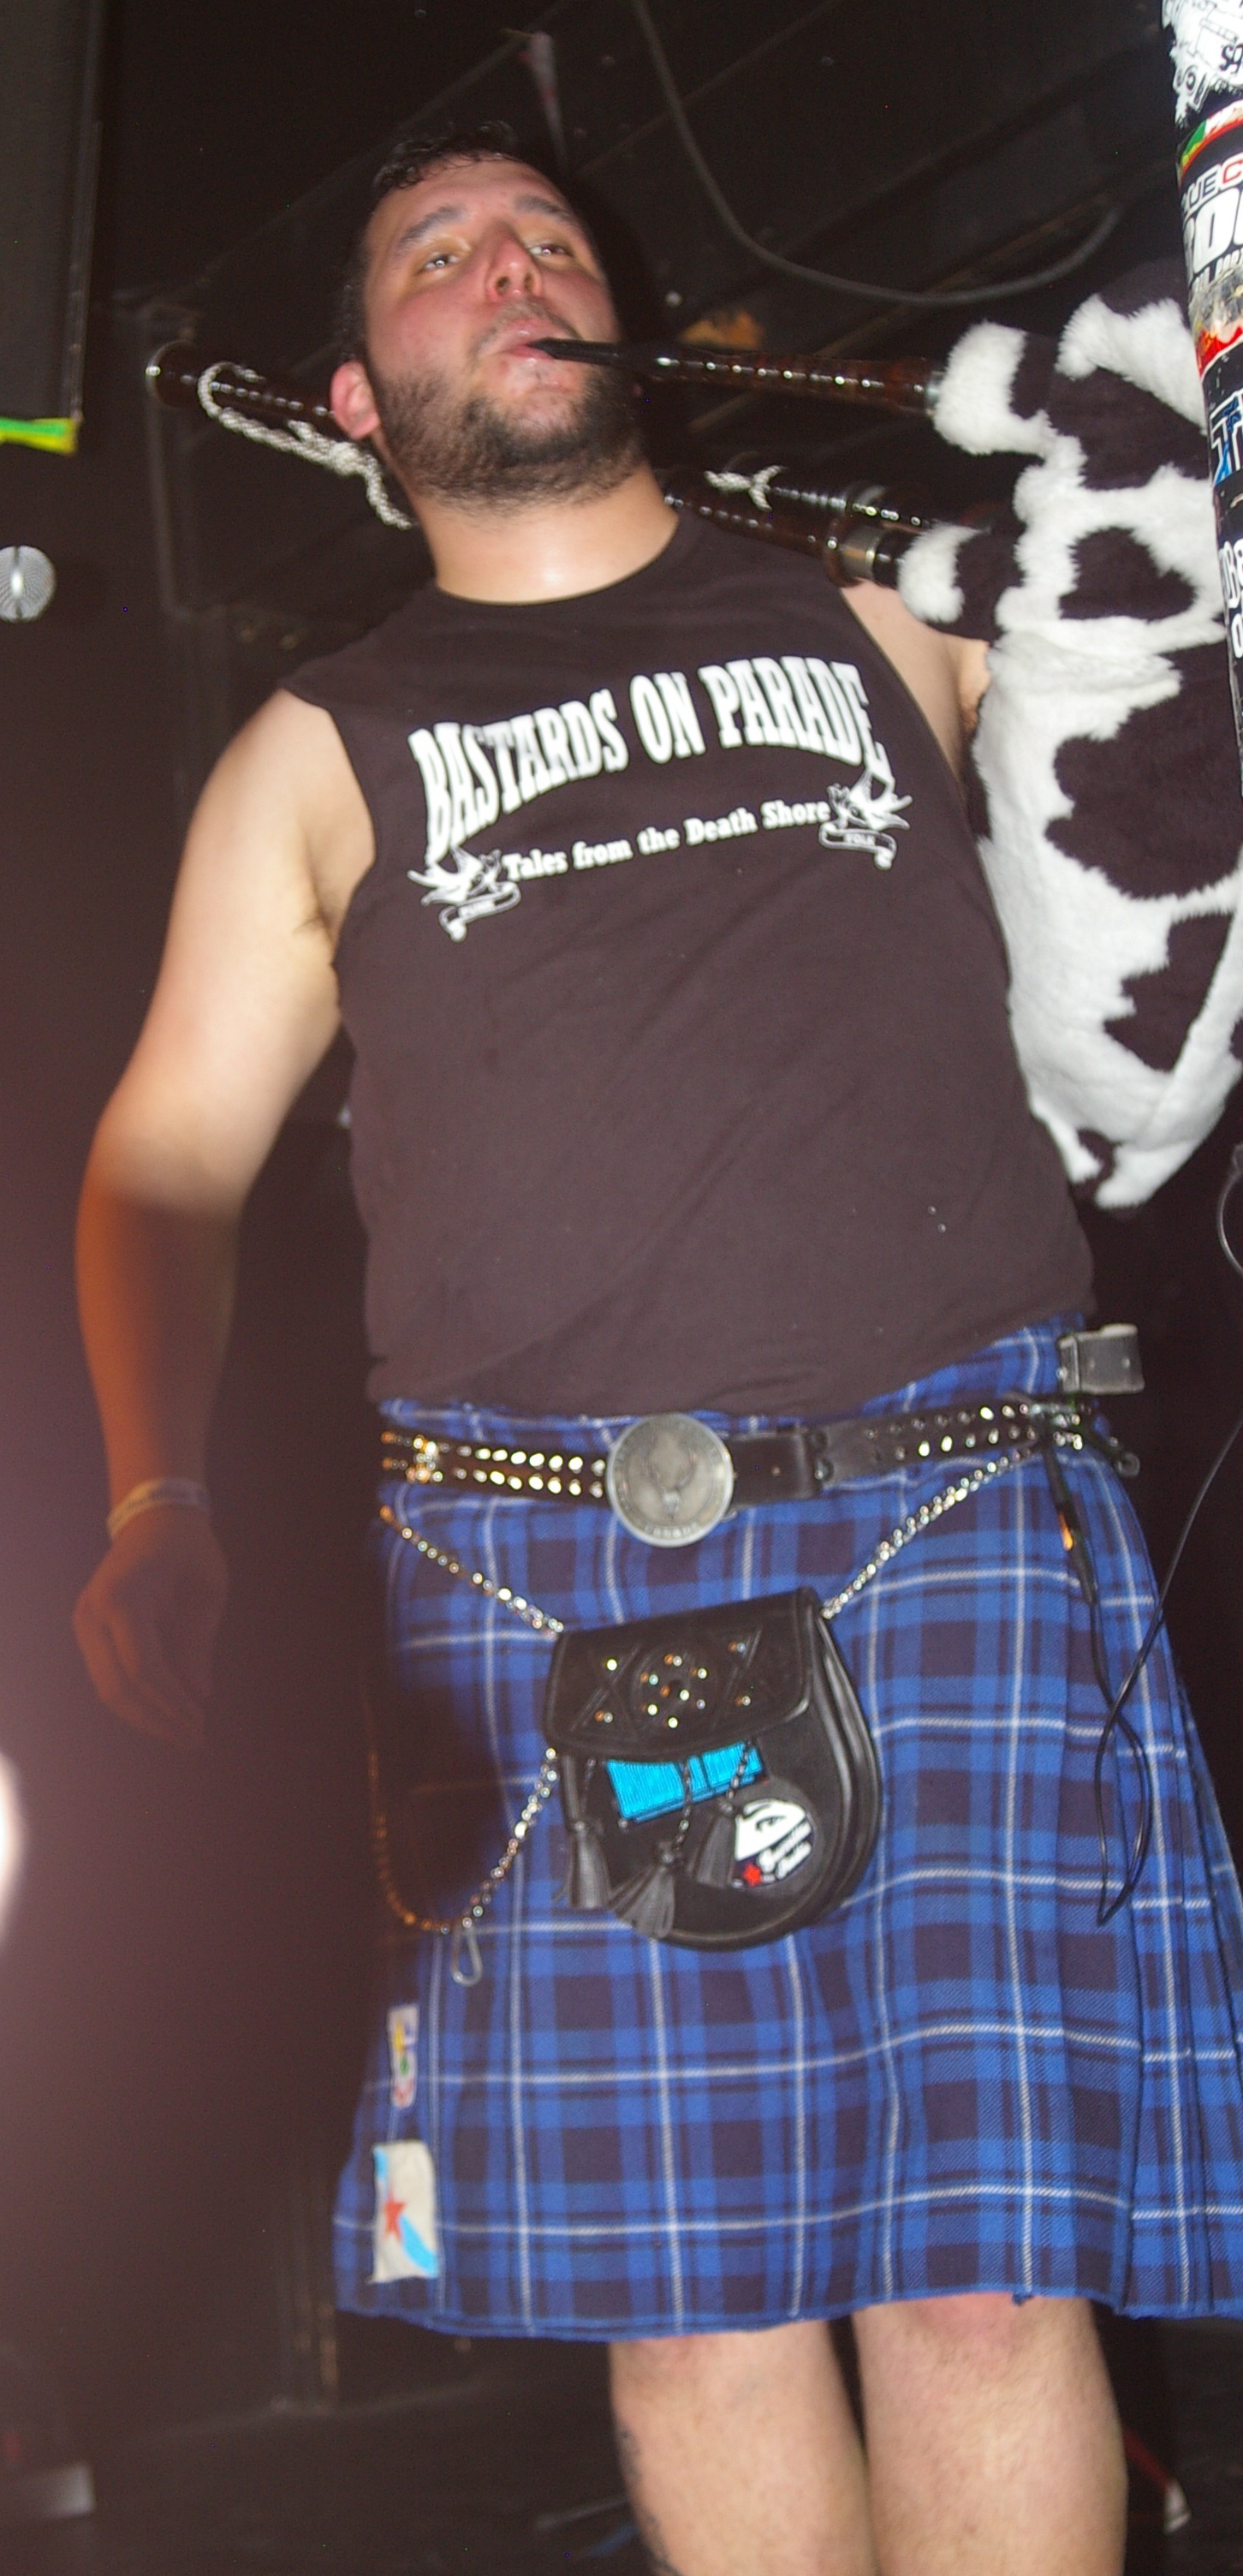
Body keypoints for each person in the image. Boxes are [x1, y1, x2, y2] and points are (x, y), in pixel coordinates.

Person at [73, 125, 1243, 2576]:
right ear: (354, 396)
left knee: (981, 2281)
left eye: (548, 237)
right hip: (556, 1577)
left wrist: (1160, 472)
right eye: (438, 250)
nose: (511, 262)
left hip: (961, 1495)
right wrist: (154, 1491)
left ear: (618, 323)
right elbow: (164, 1156)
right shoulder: (318, 751)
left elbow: (1154, 728)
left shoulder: (883, 616)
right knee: (701, 2309)